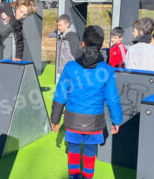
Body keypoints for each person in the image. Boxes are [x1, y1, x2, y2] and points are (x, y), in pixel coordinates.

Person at [51, 25, 123, 179]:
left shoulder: (70, 67)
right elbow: (112, 99)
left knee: (73, 153)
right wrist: (116, 120)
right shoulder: (108, 70)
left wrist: (55, 119)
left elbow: (60, 95)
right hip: (95, 121)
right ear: (102, 45)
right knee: (90, 153)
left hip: (72, 120)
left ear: (82, 43)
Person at [55, 14, 81, 81]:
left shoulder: (72, 36)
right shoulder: (62, 36)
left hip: (70, 70)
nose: (58, 27)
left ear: (67, 24)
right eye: (57, 25)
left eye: (60, 25)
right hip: (64, 69)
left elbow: (75, 54)